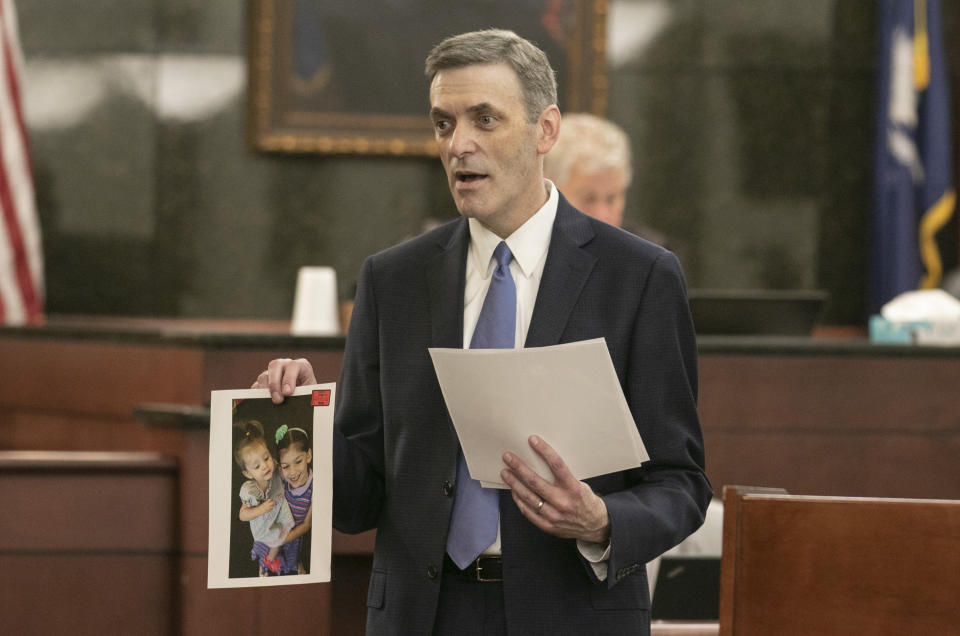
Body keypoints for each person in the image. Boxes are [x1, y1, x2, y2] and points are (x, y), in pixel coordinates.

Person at [254, 29, 709, 635]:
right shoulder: (392, 280)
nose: (459, 145)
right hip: (424, 617)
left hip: (570, 614)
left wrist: (601, 521)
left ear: (545, 130)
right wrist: (305, 424)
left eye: (484, 120)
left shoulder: (641, 277)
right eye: (444, 124)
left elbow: (681, 483)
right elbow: (360, 499)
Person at [543, 112, 668, 245]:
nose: (602, 216)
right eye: (589, 199)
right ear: (549, 192)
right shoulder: (526, 250)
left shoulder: (651, 258)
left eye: (611, 199)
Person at [234, 419, 295, 576]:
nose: (265, 466)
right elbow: (242, 515)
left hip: (279, 514)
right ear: (248, 473)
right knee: (277, 540)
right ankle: (266, 563)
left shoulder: (274, 470)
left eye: (266, 458)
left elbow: (285, 474)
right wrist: (261, 509)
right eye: (257, 466)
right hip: (263, 524)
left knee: (284, 536)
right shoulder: (249, 490)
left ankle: (269, 558)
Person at [275, 424, 314, 574]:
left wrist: (282, 540)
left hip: (297, 535)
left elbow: (306, 525)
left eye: (298, 462)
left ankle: (297, 565)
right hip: (279, 527)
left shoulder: (314, 487)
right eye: (286, 466)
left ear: (308, 456)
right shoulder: (282, 477)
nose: (292, 472)